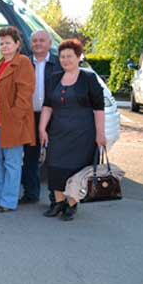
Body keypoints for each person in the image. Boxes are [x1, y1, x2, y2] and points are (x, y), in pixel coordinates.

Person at [39, 39, 106, 221]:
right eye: (62, 56)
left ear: (78, 57)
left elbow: (99, 108)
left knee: (77, 170)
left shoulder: (89, 78)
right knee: (55, 167)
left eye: (70, 56)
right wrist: (42, 128)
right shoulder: (53, 78)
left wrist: (100, 134)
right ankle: (58, 203)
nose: (65, 60)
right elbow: (47, 106)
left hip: (83, 133)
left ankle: (71, 205)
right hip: (58, 132)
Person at [0, 26, 36, 212]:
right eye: (1, 43)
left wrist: (15, 117)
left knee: (12, 163)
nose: (4, 46)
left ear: (17, 44)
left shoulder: (22, 62)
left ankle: (8, 200)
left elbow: (25, 93)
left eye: (8, 42)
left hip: (11, 123)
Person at [20, 30, 62, 204]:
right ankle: (31, 194)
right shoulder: (24, 62)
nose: (38, 43)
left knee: (55, 158)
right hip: (29, 116)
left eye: (42, 40)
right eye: (35, 41)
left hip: (53, 116)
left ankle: (56, 199)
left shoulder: (58, 63)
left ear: (49, 42)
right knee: (30, 156)